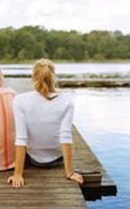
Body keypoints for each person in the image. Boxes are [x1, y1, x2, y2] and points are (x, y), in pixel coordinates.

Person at [7, 59, 83, 187]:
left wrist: (18, 174)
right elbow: (66, 137)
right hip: (58, 159)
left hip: (33, 159)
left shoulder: (20, 100)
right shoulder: (67, 101)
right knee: (68, 137)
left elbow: (21, 138)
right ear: (54, 76)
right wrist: (70, 173)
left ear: (33, 77)